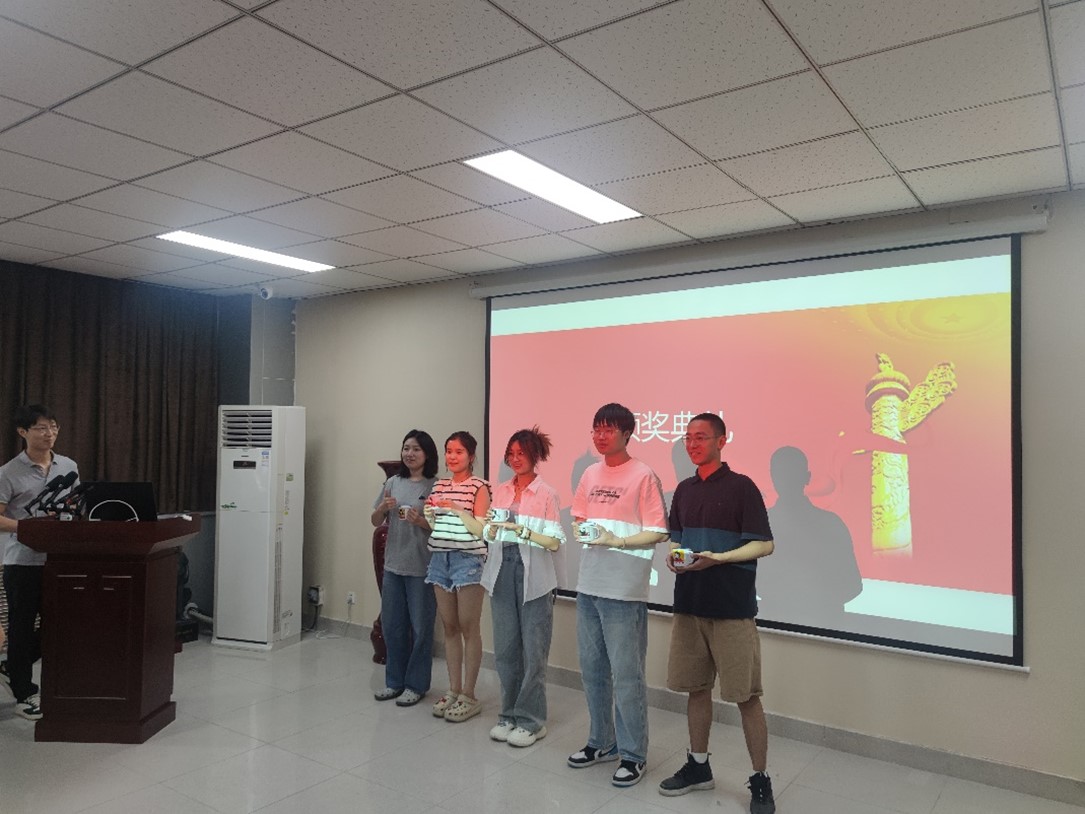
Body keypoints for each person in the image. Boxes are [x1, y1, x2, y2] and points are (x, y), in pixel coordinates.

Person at [658, 412, 776, 814]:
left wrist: (720, 558)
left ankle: (760, 779)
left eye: (701, 437)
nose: (692, 444)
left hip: (732, 609)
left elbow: (764, 544)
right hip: (690, 604)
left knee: (747, 697)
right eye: (688, 438)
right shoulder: (684, 490)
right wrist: (676, 559)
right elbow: (677, 541)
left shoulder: (742, 487)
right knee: (696, 689)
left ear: (722, 441)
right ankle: (698, 766)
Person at [567, 403, 668, 788]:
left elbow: (658, 530)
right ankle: (601, 741)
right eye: (596, 429)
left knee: (627, 676)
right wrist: (583, 529)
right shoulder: (590, 473)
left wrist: (618, 540)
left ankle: (633, 754)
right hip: (589, 585)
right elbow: (579, 517)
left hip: (624, 590)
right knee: (593, 671)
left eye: (609, 429)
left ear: (627, 434)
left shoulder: (643, 475)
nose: (601, 436)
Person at [459, 427, 564, 748]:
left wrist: (525, 533)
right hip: (501, 570)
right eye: (512, 454)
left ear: (536, 456)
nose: (516, 459)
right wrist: (481, 526)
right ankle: (508, 715)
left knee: (533, 652)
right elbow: (489, 530)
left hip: (535, 577)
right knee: (505, 650)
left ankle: (531, 721)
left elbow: (554, 541)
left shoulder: (546, 494)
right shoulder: (501, 491)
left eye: (523, 454)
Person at [0, 405, 79, 722]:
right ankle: (23, 693)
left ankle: (13, 667)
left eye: (54, 427)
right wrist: (29, 528)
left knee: (60, 626)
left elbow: (73, 505)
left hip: (58, 561)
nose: (50, 433)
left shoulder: (68, 466)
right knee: (21, 627)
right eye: (42, 428)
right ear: (23, 432)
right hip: (22, 562)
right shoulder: (8, 472)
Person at [424, 431, 490, 723]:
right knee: (449, 627)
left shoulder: (479, 487)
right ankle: (453, 689)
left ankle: (469, 694)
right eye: (449, 451)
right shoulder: (440, 485)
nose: (452, 456)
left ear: (471, 456)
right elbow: (434, 525)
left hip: (468, 560)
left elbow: (481, 529)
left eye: (459, 452)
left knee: (468, 627)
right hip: (440, 558)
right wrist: (430, 513)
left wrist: (456, 509)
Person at [370, 430, 439, 707]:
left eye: (416, 449)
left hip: (422, 567)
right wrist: (382, 508)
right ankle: (394, 682)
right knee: (393, 626)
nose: (410, 454)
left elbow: (441, 526)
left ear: (427, 454)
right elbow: (375, 520)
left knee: (421, 629)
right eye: (406, 448)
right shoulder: (392, 482)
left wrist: (420, 521)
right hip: (393, 565)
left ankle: (416, 685)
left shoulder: (435, 486)